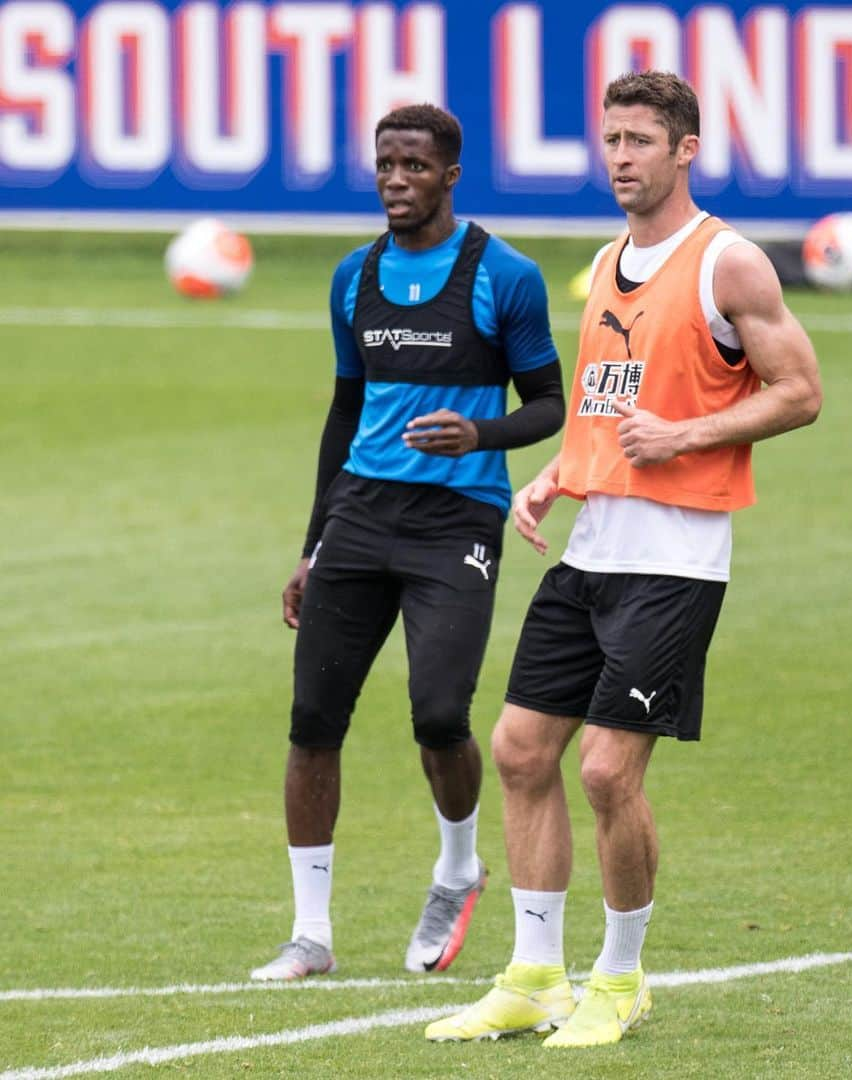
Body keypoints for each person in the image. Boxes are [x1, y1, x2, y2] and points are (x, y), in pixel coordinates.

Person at [426, 71, 822, 1047]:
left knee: (608, 773)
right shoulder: (608, 261)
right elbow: (608, 407)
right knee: (520, 751)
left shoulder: (730, 263)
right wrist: (553, 475)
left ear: (687, 149)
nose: (620, 157)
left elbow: (801, 391)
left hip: (675, 562)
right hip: (592, 548)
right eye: (610, 139)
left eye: (640, 140)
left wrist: (686, 438)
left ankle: (621, 976)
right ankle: (532, 974)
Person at [251, 104, 564, 981]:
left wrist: (480, 436)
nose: (396, 179)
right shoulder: (354, 277)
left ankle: (458, 868)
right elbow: (345, 411)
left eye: (415, 166)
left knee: (438, 716)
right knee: (313, 720)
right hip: (359, 514)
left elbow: (549, 404)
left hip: (457, 521)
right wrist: (312, 546)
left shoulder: (506, 276)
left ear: (450, 175)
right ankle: (310, 933)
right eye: (386, 164)